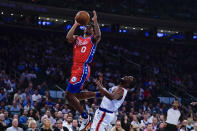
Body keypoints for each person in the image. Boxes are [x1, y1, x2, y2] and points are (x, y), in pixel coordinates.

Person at [65, 10, 101, 131]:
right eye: (88, 26)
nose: (89, 27)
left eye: (91, 27)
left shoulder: (93, 39)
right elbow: (68, 38)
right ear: (84, 28)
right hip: (75, 67)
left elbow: (99, 35)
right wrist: (75, 24)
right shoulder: (78, 38)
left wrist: (95, 21)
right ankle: (99, 94)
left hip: (82, 67)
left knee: (68, 95)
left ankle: (85, 118)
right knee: (75, 96)